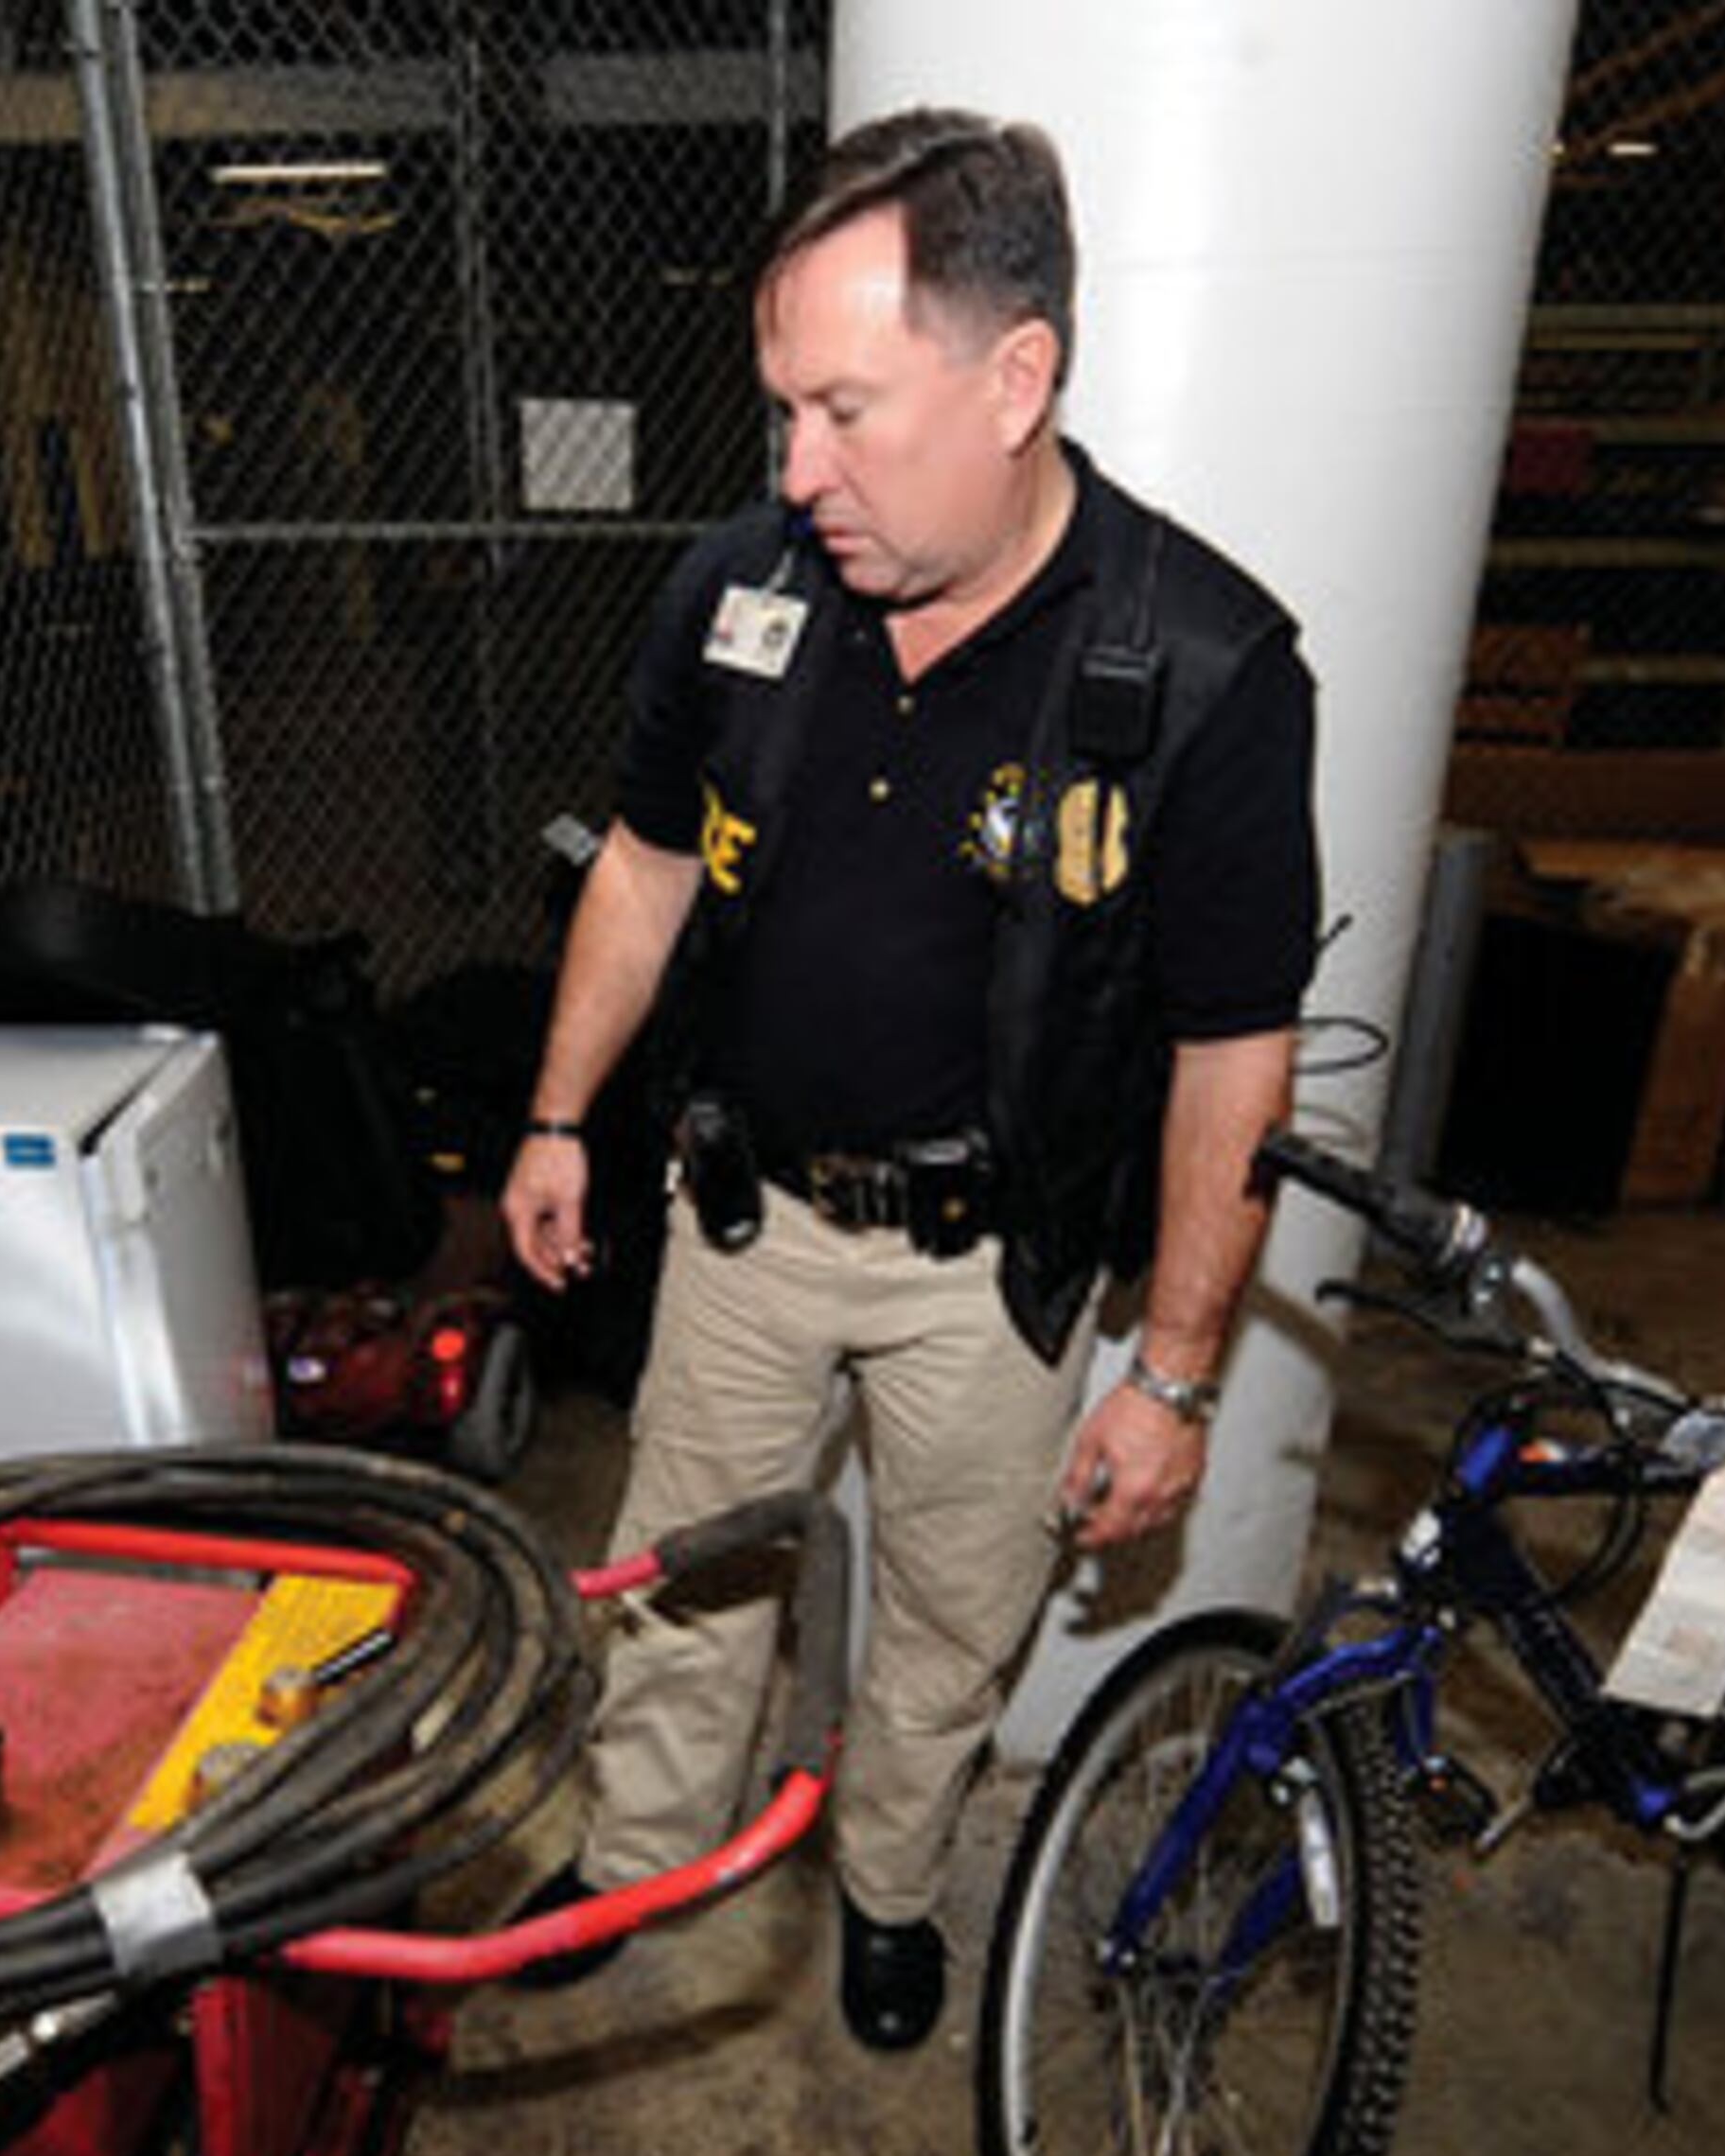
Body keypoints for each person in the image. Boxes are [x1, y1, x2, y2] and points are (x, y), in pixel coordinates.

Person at [498, 109, 1320, 2051]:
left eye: (849, 410)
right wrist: (552, 1113)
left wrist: (1181, 1370)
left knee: (955, 1619)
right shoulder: (740, 588)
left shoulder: (1201, 665)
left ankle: (883, 1887)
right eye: (784, 410)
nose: (801, 471)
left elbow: (1235, 1043)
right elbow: (645, 858)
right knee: (685, 1581)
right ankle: (636, 1856)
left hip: (993, 1268)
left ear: (1018, 374)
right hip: (741, 1214)